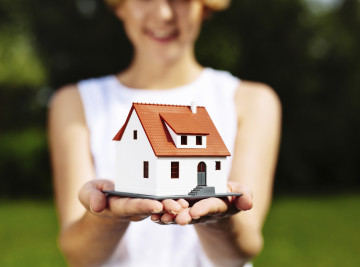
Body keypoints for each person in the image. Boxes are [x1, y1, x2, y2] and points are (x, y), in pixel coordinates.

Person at [48, 0, 281, 266]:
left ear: (204, 6)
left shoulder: (252, 101)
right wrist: (106, 217)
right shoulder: (75, 102)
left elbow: (241, 250)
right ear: (120, 6)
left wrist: (218, 221)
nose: (164, 13)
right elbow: (78, 254)